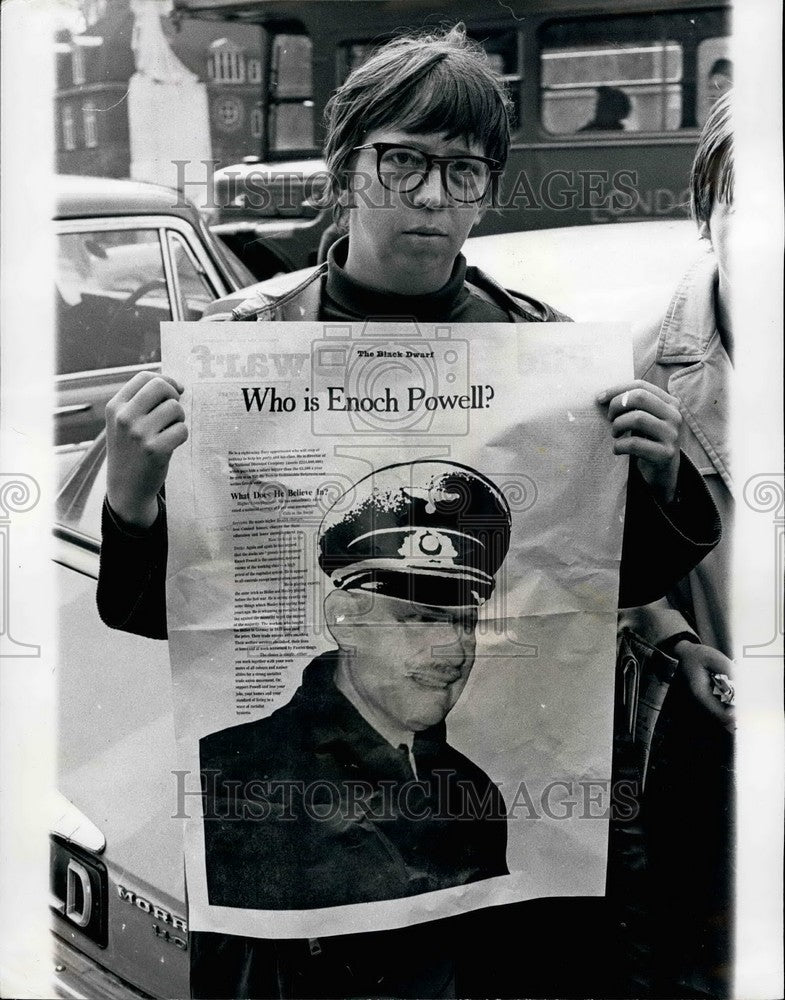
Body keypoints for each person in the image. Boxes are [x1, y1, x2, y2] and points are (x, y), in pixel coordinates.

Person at [97, 25, 720, 999]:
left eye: (463, 170)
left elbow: (592, 592)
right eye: (403, 162)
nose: (432, 197)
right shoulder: (238, 349)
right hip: (302, 945)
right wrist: (133, 498)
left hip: (502, 932)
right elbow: (180, 623)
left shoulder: (548, 352)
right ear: (345, 170)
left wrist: (656, 475)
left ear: (488, 188)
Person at [201, 461, 510, 911]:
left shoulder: (472, 789)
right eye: (421, 619)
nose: (455, 652)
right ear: (343, 619)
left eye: (466, 624)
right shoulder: (233, 776)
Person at [619, 90, 735, 997]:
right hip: (706, 764)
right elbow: (594, 569)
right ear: (711, 206)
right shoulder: (629, 374)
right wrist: (674, 638)